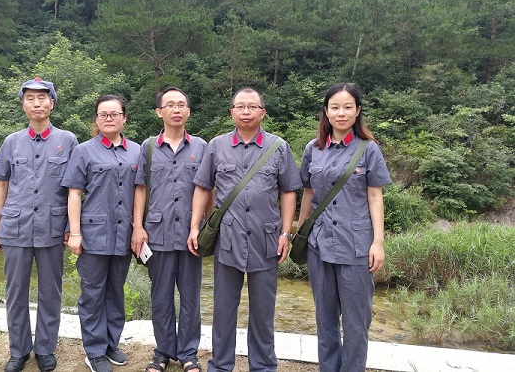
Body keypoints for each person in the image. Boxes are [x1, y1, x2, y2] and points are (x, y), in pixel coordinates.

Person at [188, 88, 302, 372]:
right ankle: (220, 365)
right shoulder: (217, 145)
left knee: (263, 310)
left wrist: (285, 233)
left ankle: (262, 366)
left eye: (252, 106)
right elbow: (203, 187)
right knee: (224, 309)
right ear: (232, 113)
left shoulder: (278, 147)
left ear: (263, 112)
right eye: (240, 106)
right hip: (228, 239)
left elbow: (289, 191)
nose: (246, 111)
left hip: (267, 240)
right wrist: (194, 227)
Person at [297, 83, 391, 372]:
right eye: (335, 107)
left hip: (356, 246)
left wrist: (378, 242)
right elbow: (309, 193)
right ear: (326, 111)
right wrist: (300, 233)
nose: (341, 113)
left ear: (357, 110)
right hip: (319, 244)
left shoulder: (368, 149)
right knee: (325, 319)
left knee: (356, 321)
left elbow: (375, 196)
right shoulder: (313, 149)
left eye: (348, 107)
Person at [0, 77, 78, 372]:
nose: (37, 103)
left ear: (52, 103)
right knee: (15, 292)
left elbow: (74, 189)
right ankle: (19, 351)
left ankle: (45, 349)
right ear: (23, 105)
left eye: (42, 98)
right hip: (15, 227)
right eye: (30, 98)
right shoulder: (11, 142)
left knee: (51, 292)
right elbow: (1, 186)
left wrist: (72, 227)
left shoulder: (68, 140)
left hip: (53, 227)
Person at [132, 87, 210, 372]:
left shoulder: (201, 147)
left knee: (191, 297)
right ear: (159, 112)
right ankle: (163, 352)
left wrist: (207, 228)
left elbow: (207, 189)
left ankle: (188, 354)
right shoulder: (148, 147)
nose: (176, 109)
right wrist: (137, 227)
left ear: (188, 111)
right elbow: (140, 188)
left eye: (181, 105)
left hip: (191, 235)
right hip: (157, 233)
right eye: (170, 105)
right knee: (161, 297)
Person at [61, 94, 140, 372]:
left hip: (124, 233)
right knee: (93, 294)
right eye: (103, 114)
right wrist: (75, 232)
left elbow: (140, 192)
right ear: (96, 118)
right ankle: (94, 351)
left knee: (115, 292)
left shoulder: (137, 151)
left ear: (124, 118)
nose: (109, 118)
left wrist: (138, 227)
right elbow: (74, 193)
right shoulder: (84, 151)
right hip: (93, 234)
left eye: (114, 114)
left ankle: (110, 344)